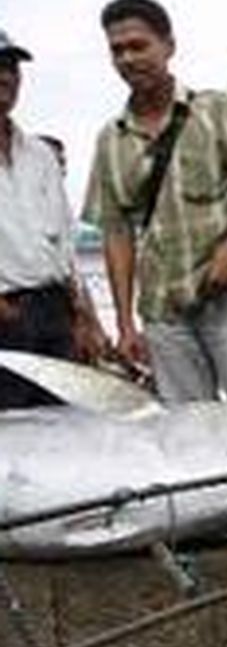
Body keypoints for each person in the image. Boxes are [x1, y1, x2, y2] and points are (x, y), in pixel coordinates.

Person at [84, 0, 227, 407]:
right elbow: (117, 234)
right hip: (163, 311)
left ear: (168, 46)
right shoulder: (110, 139)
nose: (127, 58)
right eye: (117, 50)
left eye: (138, 46)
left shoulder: (217, 110)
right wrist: (125, 323)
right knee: (190, 432)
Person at [0, 28, 107, 409]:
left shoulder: (41, 155)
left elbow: (64, 244)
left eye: (11, 66)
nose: (5, 76)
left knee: (63, 424)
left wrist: (84, 317)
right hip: (5, 314)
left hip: (55, 312)